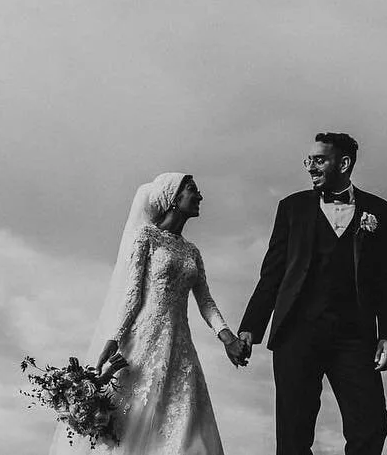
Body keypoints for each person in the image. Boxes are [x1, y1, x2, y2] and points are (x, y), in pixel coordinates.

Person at [52, 172, 248, 455]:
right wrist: (114, 338)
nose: (200, 196)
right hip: (143, 344)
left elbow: (205, 301)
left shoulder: (193, 252)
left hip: (181, 350)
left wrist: (227, 338)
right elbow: (133, 295)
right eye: (193, 189)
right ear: (173, 197)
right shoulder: (146, 237)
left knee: (185, 428)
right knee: (133, 428)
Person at [235, 132, 387, 455]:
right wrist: (250, 328)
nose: (310, 167)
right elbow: (271, 274)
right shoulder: (291, 208)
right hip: (296, 335)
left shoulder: (380, 211)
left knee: (370, 425)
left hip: (355, 337)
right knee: (293, 437)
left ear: (344, 163)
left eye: (319, 160)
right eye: (308, 160)